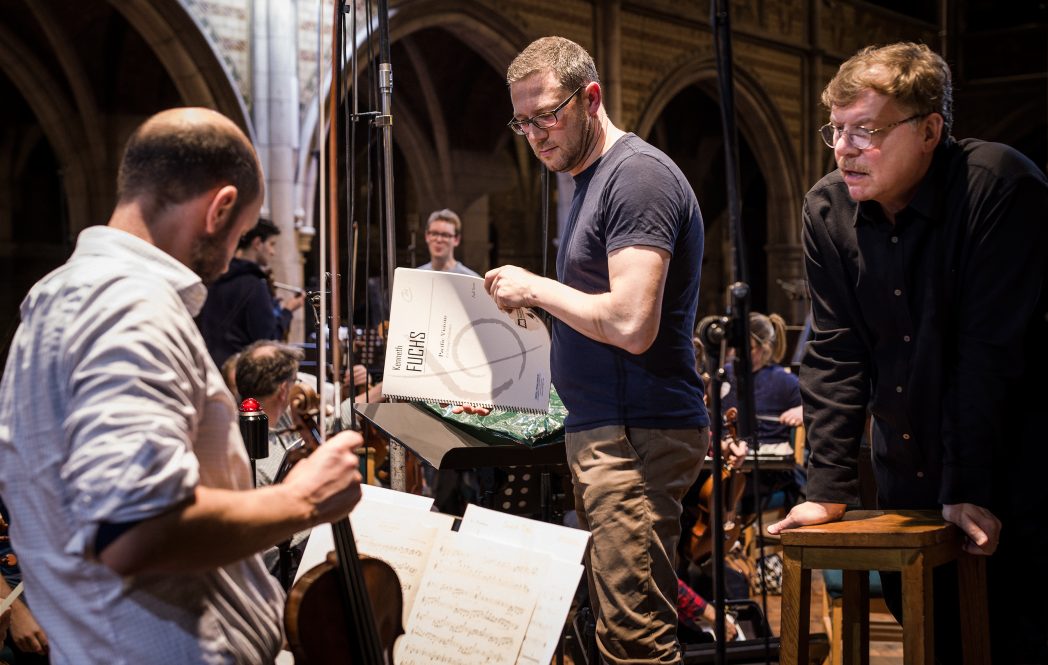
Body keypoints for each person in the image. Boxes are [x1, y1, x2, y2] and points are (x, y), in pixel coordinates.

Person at [0, 107, 363, 664]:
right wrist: (301, 499)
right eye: (240, 232)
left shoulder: (55, 300)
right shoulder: (126, 305)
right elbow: (135, 527)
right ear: (219, 209)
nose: (228, 259)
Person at [768, 42, 1048, 664]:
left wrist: (967, 485)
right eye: (836, 130)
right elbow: (836, 355)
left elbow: (987, 354)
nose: (844, 148)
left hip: (1015, 467)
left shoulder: (999, 186)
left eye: (865, 130)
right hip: (907, 478)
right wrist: (828, 488)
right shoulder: (826, 207)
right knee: (935, 642)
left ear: (929, 130)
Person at [485, 36, 709, 664]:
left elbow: (633, 322)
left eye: (547, 114)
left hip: (636, 432)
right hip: (606, 429)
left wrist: (538, 287)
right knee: (612, 625)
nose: (534, 134)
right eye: (522, 121)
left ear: (591, 99)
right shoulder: (588, 179)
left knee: (634, 640)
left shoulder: (635, 176)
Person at [196, 217, 306, 367]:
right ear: (257, 243)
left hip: (209, 366)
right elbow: (268, 341)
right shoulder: (254, 284)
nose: (273, 252)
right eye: (271, 244)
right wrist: (287, 311)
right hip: (239, 372)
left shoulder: (214, 278)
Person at [417, 208, 479, 276]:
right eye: (434, 234)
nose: (439, 240)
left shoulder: (470, 279)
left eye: (445, 235)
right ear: (427, 236)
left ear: (456, 239)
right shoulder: (416, 276)